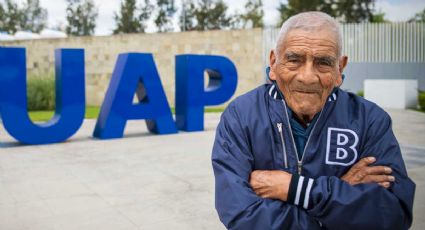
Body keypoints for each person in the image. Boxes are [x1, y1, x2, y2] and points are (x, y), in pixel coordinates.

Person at [211, 11, 415, 230]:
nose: (307, 77)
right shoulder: (241, 116)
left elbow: (392, 214)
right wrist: (340, 195)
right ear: (273, 63)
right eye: (294, 60)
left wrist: (296, 189)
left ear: (340, 68)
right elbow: (241, 215)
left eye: (323, 63)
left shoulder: (370, 121)